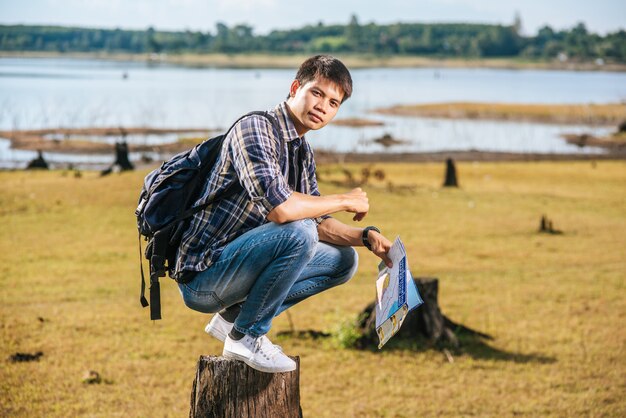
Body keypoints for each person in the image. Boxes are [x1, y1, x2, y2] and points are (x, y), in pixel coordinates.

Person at [175, 55, 393, 373]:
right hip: (204, 275)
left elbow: (318, 222)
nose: (323, 106)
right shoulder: (255, 128)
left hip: (239, 265)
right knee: (298, 231)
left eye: (333, 102)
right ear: (295, 88)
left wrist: (365, 236)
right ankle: (247, 336)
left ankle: (232, 320)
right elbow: (282, 211)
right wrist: (344, 199)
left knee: (344, 260)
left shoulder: (301, 150)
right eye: (317, 93)